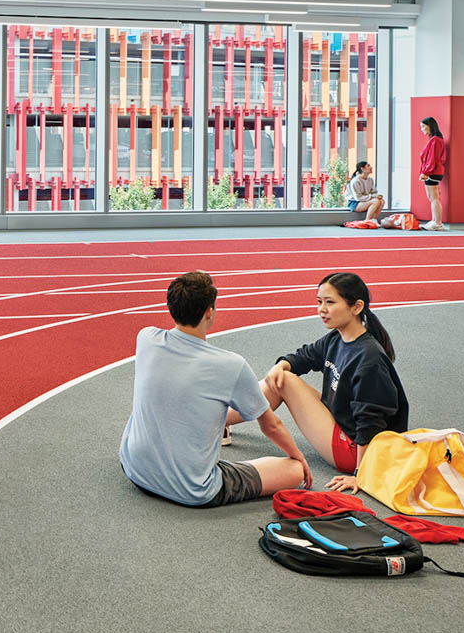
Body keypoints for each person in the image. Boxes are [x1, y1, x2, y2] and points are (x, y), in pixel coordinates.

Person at [120, 271, 311, 508]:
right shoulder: (230, 365)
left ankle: (220, 426)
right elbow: (270, 425)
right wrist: (298, 457)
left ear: (171, 307)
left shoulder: (146, 338)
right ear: (209, 312)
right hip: (193, 488)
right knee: (293, 471)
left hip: (136, 469)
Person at [253, 272, 410, 494]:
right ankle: (219, 423)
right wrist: (281, 364)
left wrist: (361, 475)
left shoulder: (369, 358)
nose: (321, 309)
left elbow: (371, 423)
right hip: (340, 423)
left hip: (353, 449)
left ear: (356, 307)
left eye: (330, 302)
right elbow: (305, 356)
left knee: (285, 381)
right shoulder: (337, 338)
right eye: (319, 302)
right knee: (281, 375)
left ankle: (214, 423)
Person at [418, 116, 447, 231]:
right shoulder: (434, 139)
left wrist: (426, 172)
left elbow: (432, 158)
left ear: (430, 126)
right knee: (432, 197)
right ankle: (435, 220)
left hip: (433, 172)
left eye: (423, 126)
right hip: (433, 172)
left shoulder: (435, 140)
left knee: (434, 197)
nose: (422, 129)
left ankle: (438, 222)